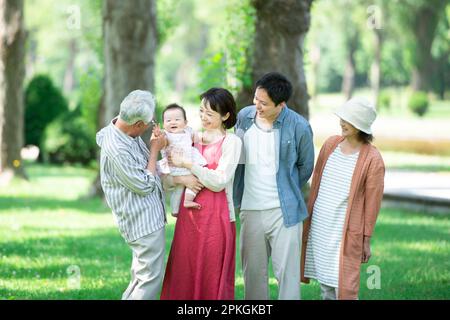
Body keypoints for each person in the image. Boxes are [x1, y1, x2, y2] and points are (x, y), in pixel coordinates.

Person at [233, 72, 315, 300]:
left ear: (281, 104)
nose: (256, 105)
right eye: (256, 98)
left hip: (284, 212)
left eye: (263, 103)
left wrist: (287, 189)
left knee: (287, 276)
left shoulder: (299, 126)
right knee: (253, 277)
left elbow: (305, 166)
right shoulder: (244, 118)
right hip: (251, 209)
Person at [160, 88, 242, 300]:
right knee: (184, 272)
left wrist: (188, 164)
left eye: (210, 113)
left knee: (211, 274)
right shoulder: (190, 138)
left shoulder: (232, 142)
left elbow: (219, 181)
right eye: (201, 111)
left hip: (217, 217)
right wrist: (182, 178)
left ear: (225, 115)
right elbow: (167, 179)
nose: (203, 118)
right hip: (189, 218)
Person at [301, 97, 385, 300]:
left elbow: (372, 204)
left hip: (345, 231)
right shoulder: (330, 145)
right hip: (321, 227)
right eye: (342, 118)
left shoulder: (373, 159)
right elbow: (317, 182)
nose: (341, 122)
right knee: (326, 286)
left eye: (347, 119)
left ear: (359, 125)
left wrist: (366, 239)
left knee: (344, 288)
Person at [96, 90, 168, 300]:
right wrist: (154, 149)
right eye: (148, 122)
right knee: (150, 279)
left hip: (146, 219)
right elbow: (144, 184)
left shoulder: (126, 133)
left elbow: (146, 167)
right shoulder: (117, 148)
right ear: (137, 124)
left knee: (140, 277)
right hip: (141, 221)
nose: (150, 125)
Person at [157, 103, 207, 217]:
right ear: (163, 125)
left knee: (196, 181)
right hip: (176, 167)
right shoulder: (166, 135)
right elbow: (162, 143)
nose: (172, 122)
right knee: (179, 189)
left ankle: (187, 201)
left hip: (189, 163)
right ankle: (175, 210)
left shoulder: (188, 131)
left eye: (177, 119)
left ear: (185, 123)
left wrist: (202, 139)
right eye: (168, 120)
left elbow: (198, 139)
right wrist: (159, 135)